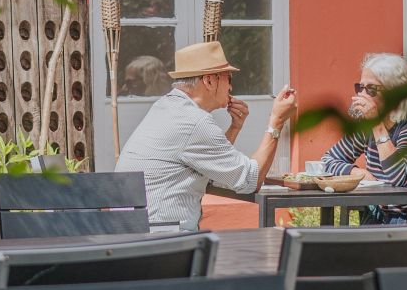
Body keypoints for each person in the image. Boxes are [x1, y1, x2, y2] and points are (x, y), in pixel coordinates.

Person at [117, 41, 297, 231]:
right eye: (229, 79)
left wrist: (234, 128)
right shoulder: (195, 122)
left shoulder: (166, 107)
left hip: (134, 234)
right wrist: (276, 122)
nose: (231, 88)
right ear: (210, 81)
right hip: (161, 240)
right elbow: (250, 180)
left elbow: (210, 167)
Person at [321, 52, 407, 223]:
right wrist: (356, 172)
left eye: (371, 89)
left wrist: (377, 125)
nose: (362, 96)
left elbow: (398, 176)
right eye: (360, 88)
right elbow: (328, 160)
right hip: (391, 222)